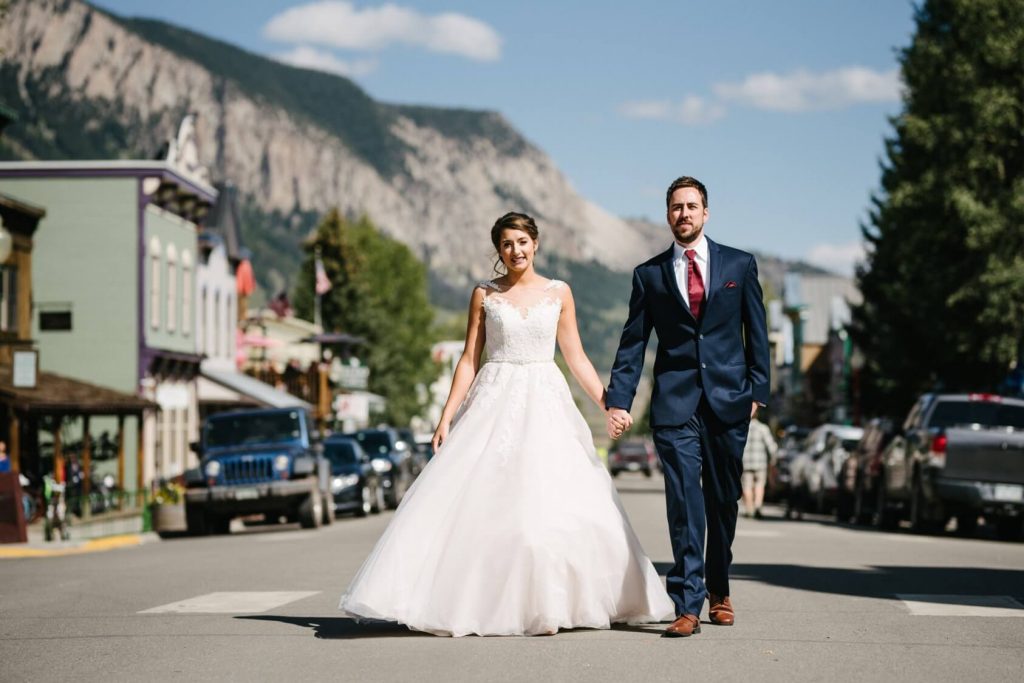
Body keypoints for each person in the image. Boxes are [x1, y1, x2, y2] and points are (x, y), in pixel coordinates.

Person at [339, 212, 673, 637]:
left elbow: (575, 358)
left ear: (535, 244)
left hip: (546, 401)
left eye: (521, 241)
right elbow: (467, 359)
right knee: (484, 502)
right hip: (492, 401)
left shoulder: (559, 293)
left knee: (551, 502)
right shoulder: (484, 295)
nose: (515, 250)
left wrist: (610, 404)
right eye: (506, 244)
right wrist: (446, 416)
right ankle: (475, 600)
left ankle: (554, 601)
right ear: (499, 251)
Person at [605, 176, 770, 638]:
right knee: (684, 501)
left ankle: (720, 587)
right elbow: (633, 342)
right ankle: (688, 602)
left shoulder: (740, 264)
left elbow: (755, 330)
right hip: (675, 405)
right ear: (668, 215)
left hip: (729, 402)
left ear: (706, 212)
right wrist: (620, 399)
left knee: (722, 501)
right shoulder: (650, 274)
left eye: (692, 206)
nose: (684, 214)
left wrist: (758, 391)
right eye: (676, 207)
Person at [741, 416, 777, 519]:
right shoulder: (763, 428)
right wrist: (773, 460)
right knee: (759, 485)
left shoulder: (743, 427)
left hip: (746, 462)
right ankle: (758, 506)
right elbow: (772, 446)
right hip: (760, 463)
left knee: (747, 486)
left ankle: (749, 510)